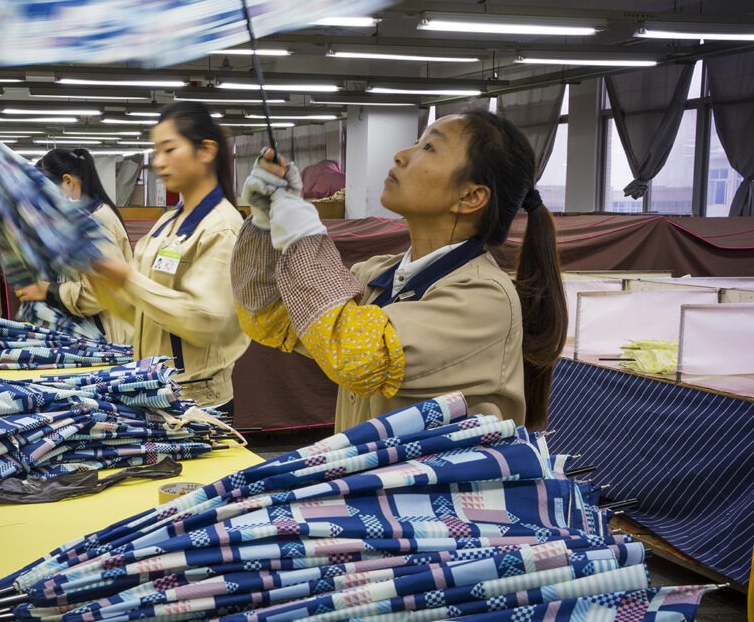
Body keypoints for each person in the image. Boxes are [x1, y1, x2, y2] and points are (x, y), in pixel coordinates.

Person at [231, 110, 567, 432]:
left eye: (429, 147)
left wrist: (304, 235)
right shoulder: (377, 276)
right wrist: (264, 221)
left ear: (470, 196)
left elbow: (352, 355)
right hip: (368, 487)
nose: (401, 155)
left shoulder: (482, 298)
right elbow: (270, 317)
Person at [88, 101, 249, 415]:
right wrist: (104, 283)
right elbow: (139, 307)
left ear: (206, 151)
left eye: (169, 149)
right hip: (154, 387)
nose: (158, 162)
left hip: (197, 401)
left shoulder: (222, 227)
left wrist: (128, 281)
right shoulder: (166, 223)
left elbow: (206, 320)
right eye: (155, 151)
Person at [15, 147, 135, 346]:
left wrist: (49, 291)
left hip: (110, 339)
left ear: (68, 182)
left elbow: (99, 294)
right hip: (92, 334)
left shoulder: (97, 222)